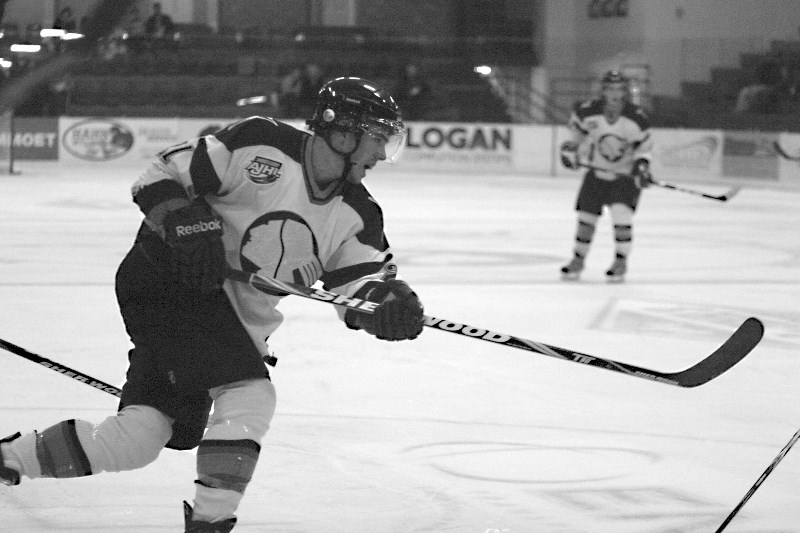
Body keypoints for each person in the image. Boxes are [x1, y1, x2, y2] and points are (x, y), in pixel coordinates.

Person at [0, 77, 424, 532]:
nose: (381, 154)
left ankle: (9, 458)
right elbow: (158, 177)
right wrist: (184, 222)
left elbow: (361, 283)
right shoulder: (259, 142)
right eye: (376, 139)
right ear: (340, 133)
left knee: (138, 440)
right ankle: (209, 524)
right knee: (250, 394)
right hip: (165, 281)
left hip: (227, 324)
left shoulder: (358, 212)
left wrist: (387, 306)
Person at [559, 70, 653, 282]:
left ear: (625, 91)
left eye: (619, 89)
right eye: (610, 88)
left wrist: (642, 165)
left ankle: (620, 261)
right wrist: (571, 149)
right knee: (585, 220)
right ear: (602, 90)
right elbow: (576, 136)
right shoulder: (587, 111)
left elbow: (644, 148)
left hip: (624, 177)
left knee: (621, 217)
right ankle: (578, 258)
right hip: (596, 173)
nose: (614, 94)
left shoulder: (637, 118)